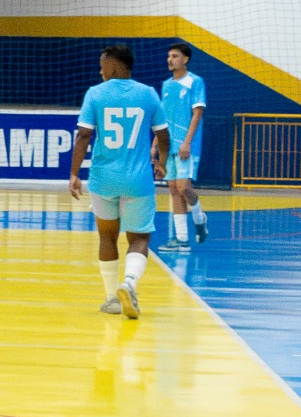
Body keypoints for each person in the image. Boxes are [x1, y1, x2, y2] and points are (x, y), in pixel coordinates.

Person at [70, 44, 171, 319]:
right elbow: (163, 135)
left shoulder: (95, 94)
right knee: (139, 238)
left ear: (114, 64)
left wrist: (74, 173)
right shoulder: (148, 94)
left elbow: (83, 136)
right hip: (138, 180)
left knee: (107, 235)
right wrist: (161, 162)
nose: (100, 69)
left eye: (103, 63)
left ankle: (111, 298)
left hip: (104, 180)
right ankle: (130, 283)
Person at [160, 42, 208, 248]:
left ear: (185, 59)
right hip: (169, 145)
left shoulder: (195, 82)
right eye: (169, 56)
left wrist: (187, 142)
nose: (171, 59)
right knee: (173, 189)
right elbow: (163, 118)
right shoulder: (166, 85)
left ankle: (199, 218)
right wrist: (157, 145)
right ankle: (181, 239)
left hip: (186, 145)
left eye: (175, 56)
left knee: (183, 187)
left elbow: (198, 113)